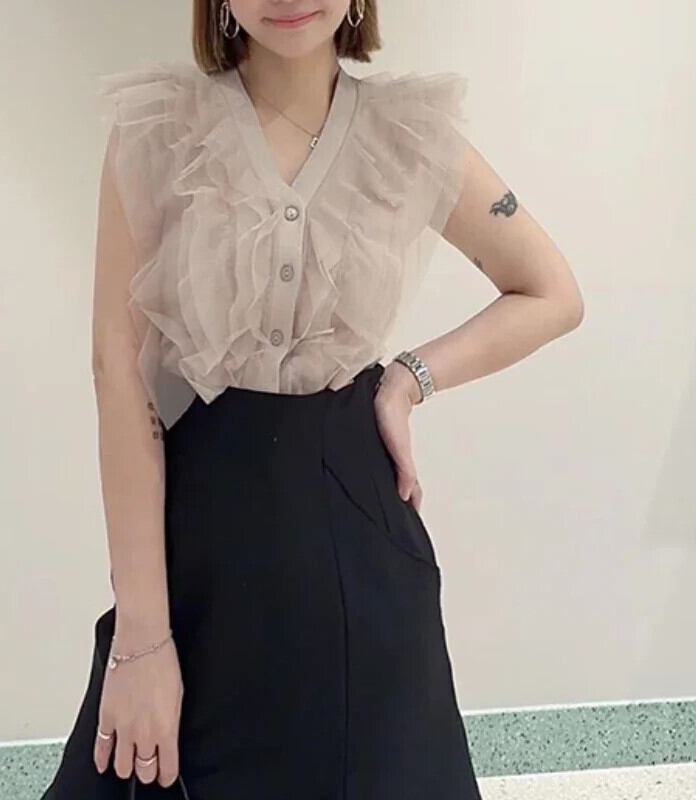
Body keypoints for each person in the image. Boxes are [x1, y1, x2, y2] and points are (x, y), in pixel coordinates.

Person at [41, 1, 584, 798]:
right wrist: (143, 639)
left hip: (359, 544)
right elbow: (115, 370)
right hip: (199, 544)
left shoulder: (409, 134)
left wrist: (408, 379)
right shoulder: (158, 131)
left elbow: (551, 292)